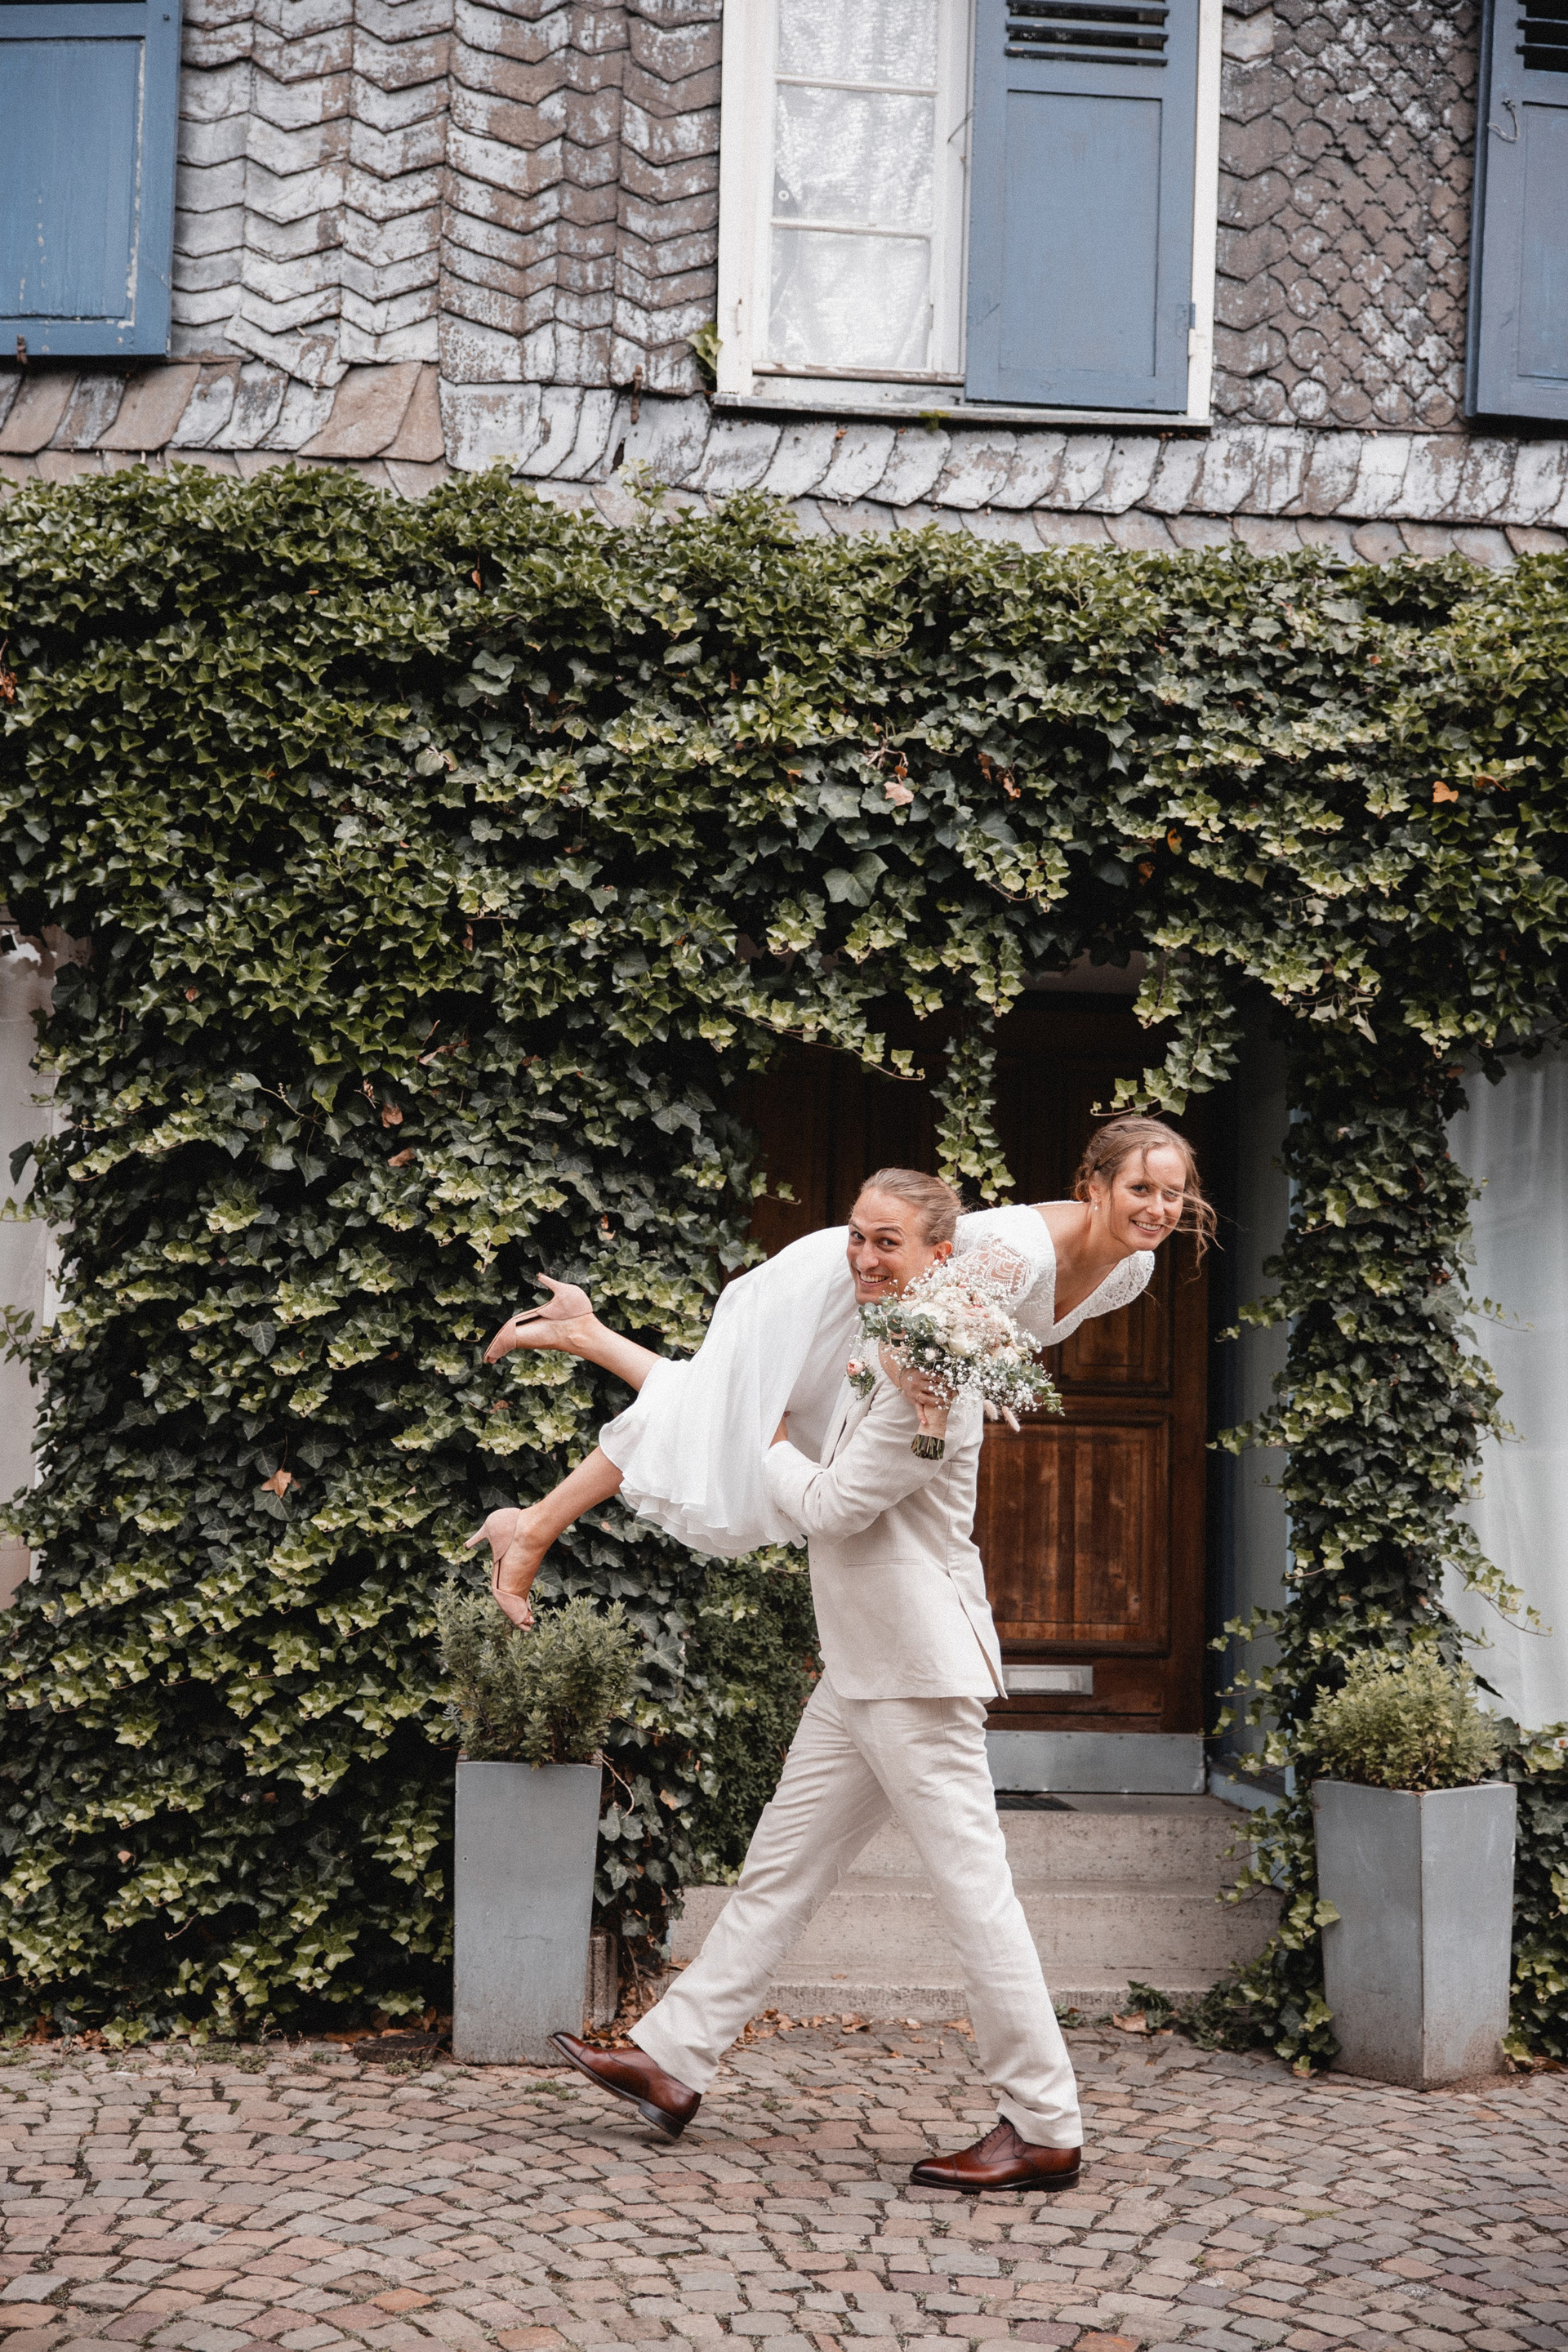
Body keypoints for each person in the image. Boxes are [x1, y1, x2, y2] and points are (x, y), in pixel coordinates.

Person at [542, 1169, 1090, 2188]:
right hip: (864, 1664)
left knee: (976, 1897)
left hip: (915, 1672)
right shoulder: (884, 1342)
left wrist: (766, 1449)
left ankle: (1046, 2122)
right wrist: (613, 1346)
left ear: (939, 1255)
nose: (865, 1259)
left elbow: (838, 1506)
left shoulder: (936, 1366)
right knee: (781, 1870)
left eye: (889, 1243)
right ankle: (672, 2060)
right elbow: (729, 1403)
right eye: (857, 1237)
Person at [468, 1116, 1209, 1628]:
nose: (1158, 1209)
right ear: (1094, 1187)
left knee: (724, 1406)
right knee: (727, 1414)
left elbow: (975, 1338)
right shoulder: (1021, 1252)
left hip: (895, 1308)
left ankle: (581, 1337)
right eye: (1140, 1189)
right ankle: (531, 1528)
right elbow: (916, 1323)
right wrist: (914, 1382)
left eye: (1172, 1194)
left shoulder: (1131, 1272)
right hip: (853, 1283)